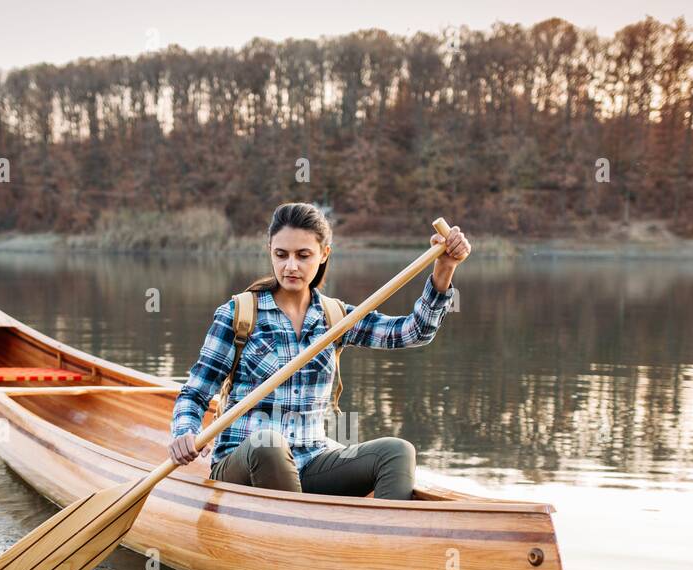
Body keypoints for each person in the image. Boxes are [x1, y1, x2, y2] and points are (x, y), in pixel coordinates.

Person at [168, 201, 471, 499]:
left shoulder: (335, 318)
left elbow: (413, 332)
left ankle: (386, 540)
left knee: (396, 452)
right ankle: (297, 535)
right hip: (244, 466)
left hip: (311, 462)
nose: (291, 266)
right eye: (281, 255)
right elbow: (194, 394)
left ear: (324, 254)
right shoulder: (239, 314)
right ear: (270, 252)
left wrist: (444, 269)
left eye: (303, 256)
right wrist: (185, 431)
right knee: (269, 444)